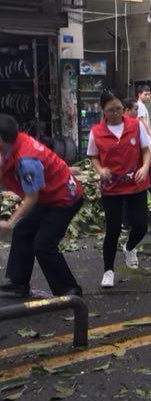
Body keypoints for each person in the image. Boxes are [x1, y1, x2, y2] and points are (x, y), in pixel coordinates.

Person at [0, 114, 84, 298]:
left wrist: (10, 221)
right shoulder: (12, 143)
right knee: (23, 230)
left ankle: (70, 291)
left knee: (43, 244)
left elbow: (32, 198)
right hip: (48, 197)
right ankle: (18, 284)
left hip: (65, 198)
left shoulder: (27, 160)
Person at [88, 91, 151, 288]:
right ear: (103, 111)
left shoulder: (135, 125)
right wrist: (101, 170)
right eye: (111, 110)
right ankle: (108, 271)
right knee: (113, 229)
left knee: (141, 225)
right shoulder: (96, 132)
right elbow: (93, 156)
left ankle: (129, 247)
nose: (116, 113)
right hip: (112, 187)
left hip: (136, 183)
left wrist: (144, 167)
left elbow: (146, 150)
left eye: (119, 109)